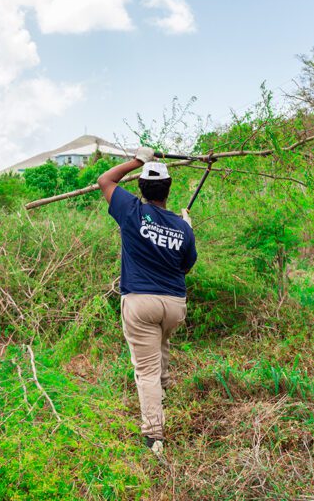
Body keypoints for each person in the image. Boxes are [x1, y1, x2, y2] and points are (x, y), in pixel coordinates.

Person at [97, 147, 198, 455]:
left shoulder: (131, 210)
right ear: (168, 189)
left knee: (146, 371)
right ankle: (163, 388)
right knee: (161, 346)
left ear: (140, 188)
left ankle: (154, 436)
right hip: (174, 306)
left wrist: (138, 161)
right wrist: (187, 229)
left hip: (141, 303)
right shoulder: (183, 227)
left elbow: (105, 180)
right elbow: (186, 266)